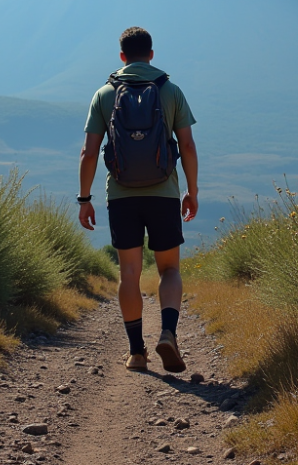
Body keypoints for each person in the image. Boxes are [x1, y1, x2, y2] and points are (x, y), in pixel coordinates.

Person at [78, 26, 198, 372]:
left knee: (129, 273)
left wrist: (84, 198)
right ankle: (168, 333)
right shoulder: (170, 90)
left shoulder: (104, 94)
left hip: (121, 196)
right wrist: (191, 190)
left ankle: (136, 353)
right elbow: (187, 145)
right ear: (151, 54)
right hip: (163, 193)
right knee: (170, 268)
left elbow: (88, 153)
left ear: (121, 57)